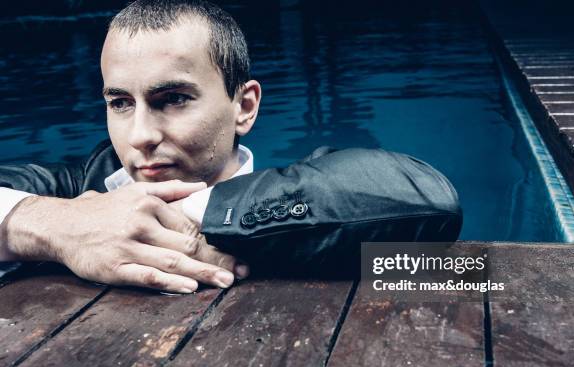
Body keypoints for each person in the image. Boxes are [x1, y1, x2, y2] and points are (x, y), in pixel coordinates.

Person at [0, 0, 462, 294]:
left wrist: (188, 217)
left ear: (244, 106)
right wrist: (59, 224)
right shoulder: (79, 189)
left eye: (173, 99)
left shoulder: (302, 194)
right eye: (120, 102)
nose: (139, 134)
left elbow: (428, 199)